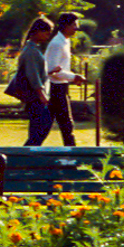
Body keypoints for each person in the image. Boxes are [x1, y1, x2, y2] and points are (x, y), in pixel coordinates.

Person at [17, 17, 55, 146]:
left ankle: (30, 155)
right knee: (43, 126)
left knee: (37, 129)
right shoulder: (31, 51)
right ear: (37, 31)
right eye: (46, 32)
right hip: (35, 96)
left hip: (35, 95)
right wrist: (41, 94)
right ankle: (26, 154)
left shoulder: (33, 49)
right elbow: (32, 74)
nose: (48, 36)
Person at [44, 12, 79, 146]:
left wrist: (71, 77)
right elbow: (53, 70)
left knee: (47, 127)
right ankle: (74, 157)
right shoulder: (57, 43)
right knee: (66, 126)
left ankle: (27, 153)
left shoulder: (64, 41)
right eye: (74, 25)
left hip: (61, 87)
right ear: (65, 26)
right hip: (55, 88)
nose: (76, 28)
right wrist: (73, 77)